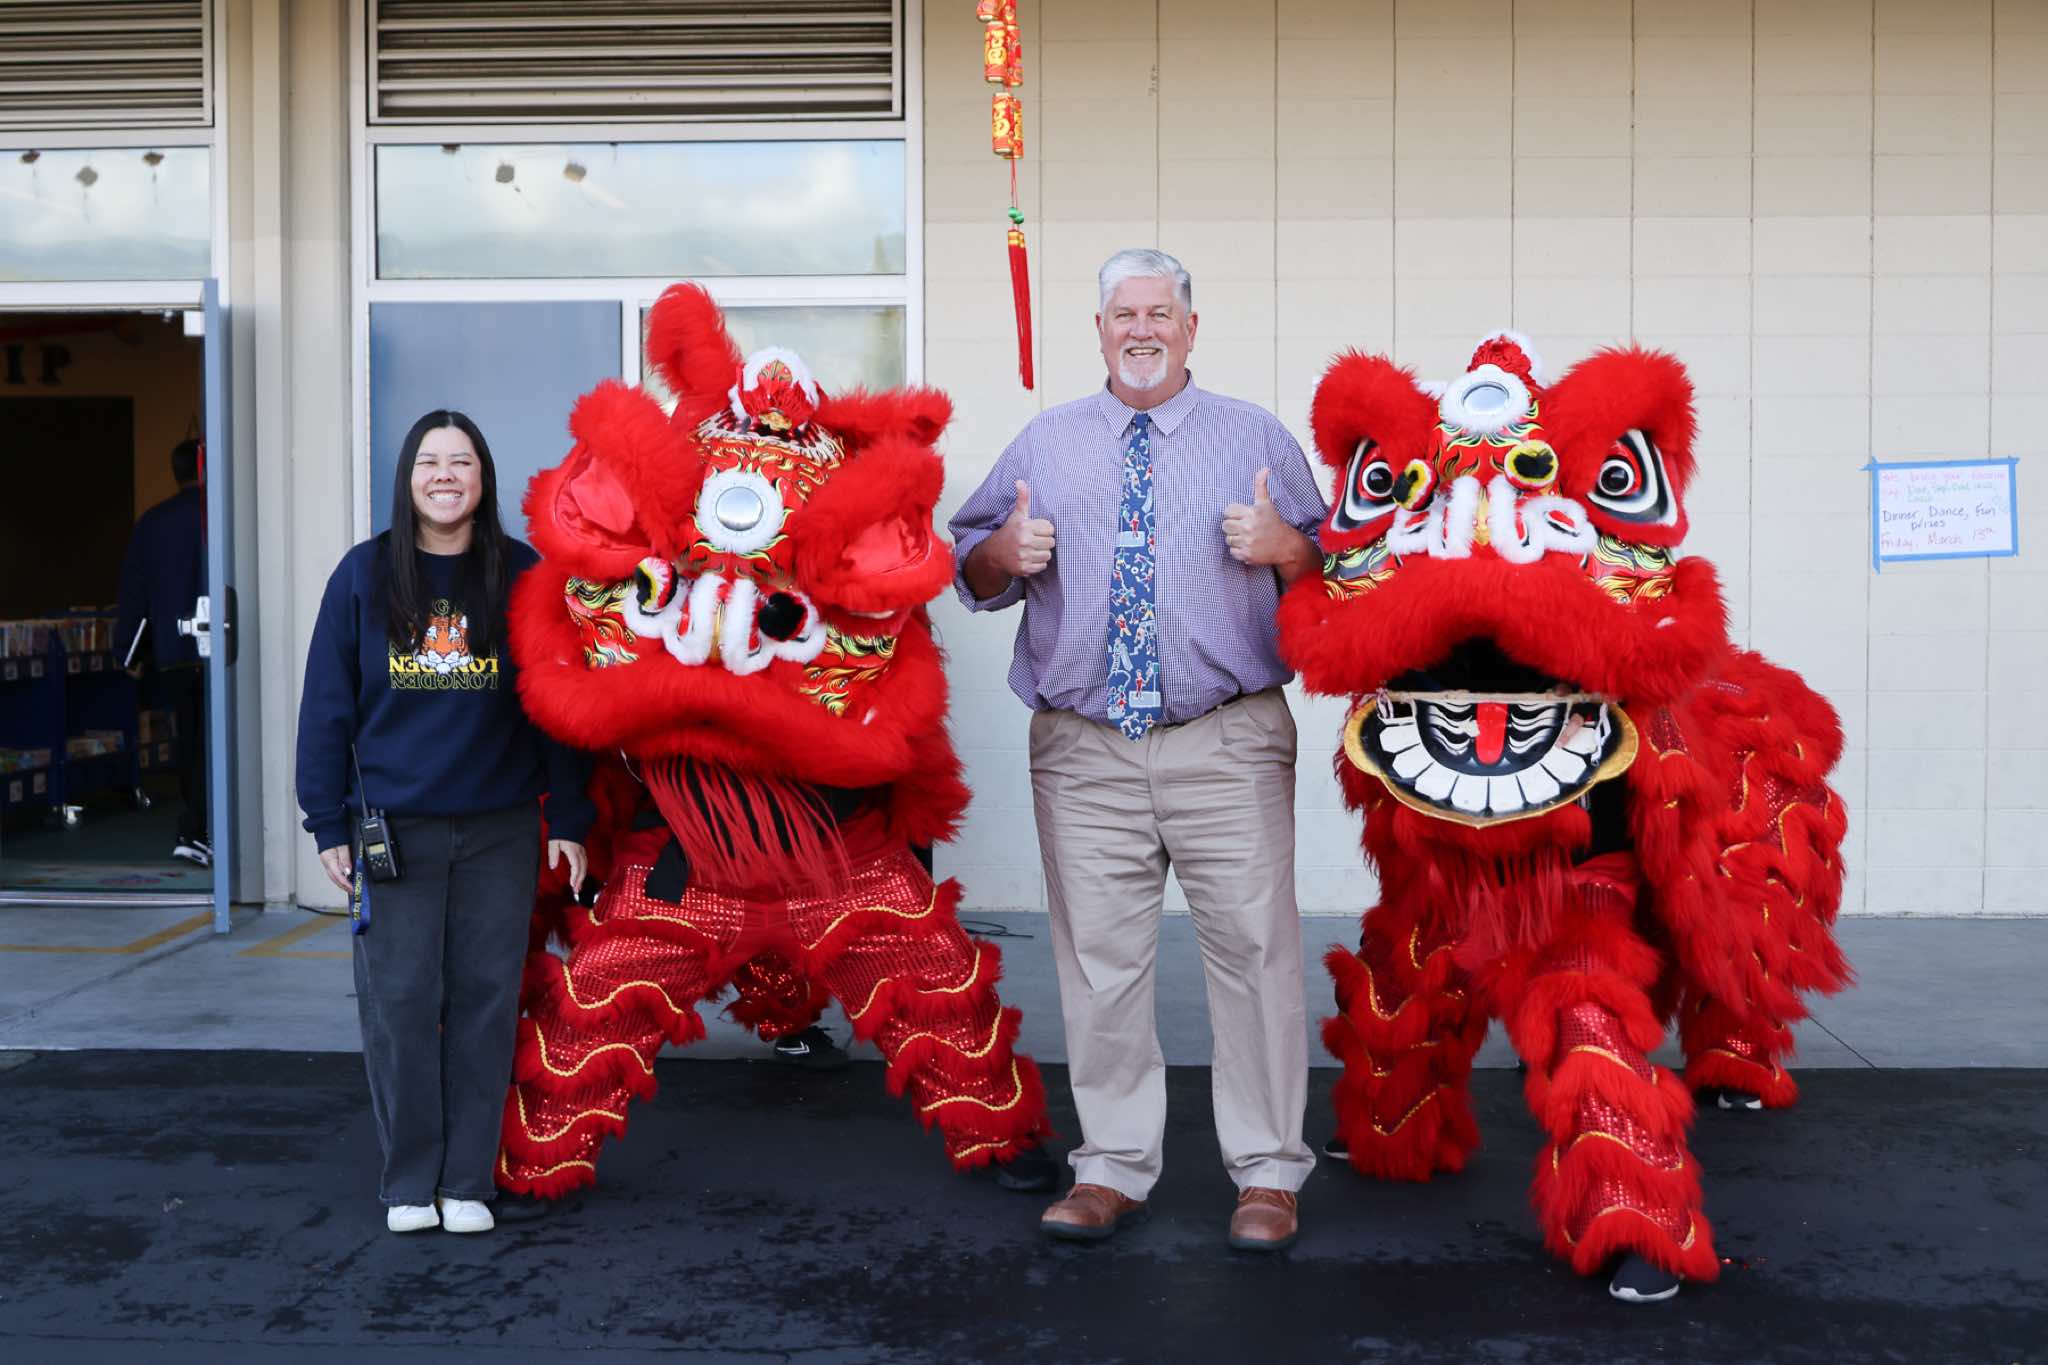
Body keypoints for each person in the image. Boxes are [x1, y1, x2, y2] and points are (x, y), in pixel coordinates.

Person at [948, 248, 1327, 1250]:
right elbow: (970, 561)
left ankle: (1267, 1173)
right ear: (1100, 329)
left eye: (1160, 313)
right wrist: (1002, 556)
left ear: (1191, 328)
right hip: (1083, 750)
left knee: (1256, 956)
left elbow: (1337, 570)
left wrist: (1286, 548)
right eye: (1124, 314)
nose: (1142, 330)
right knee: (1099, 963)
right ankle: (1111, 1167)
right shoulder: (1046, 441)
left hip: (1226, 739)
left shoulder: (1254, 437)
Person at [296, 410, 593, 1236]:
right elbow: (326, 706)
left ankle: (466, 1180)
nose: (445, 475)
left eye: (462, 462)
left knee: (485, 1003)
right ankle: (408, 1182)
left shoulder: (523, 576)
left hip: (499, 828)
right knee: (399, 1003)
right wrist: (325, 821)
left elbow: (557, 703)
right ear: (408, 476)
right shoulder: (363, 576)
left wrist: (570, 815)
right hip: (394, 831)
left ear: (482, 478)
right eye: (430, 461)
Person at [115, 437, 209, 867]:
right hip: (221, 648)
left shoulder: (152, 522)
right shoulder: (217, 514)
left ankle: (194, 827)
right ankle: (205, 829)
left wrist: (129, 652)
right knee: (218, 742)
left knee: (187, 742)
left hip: (174, 652)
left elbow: (134, 593)